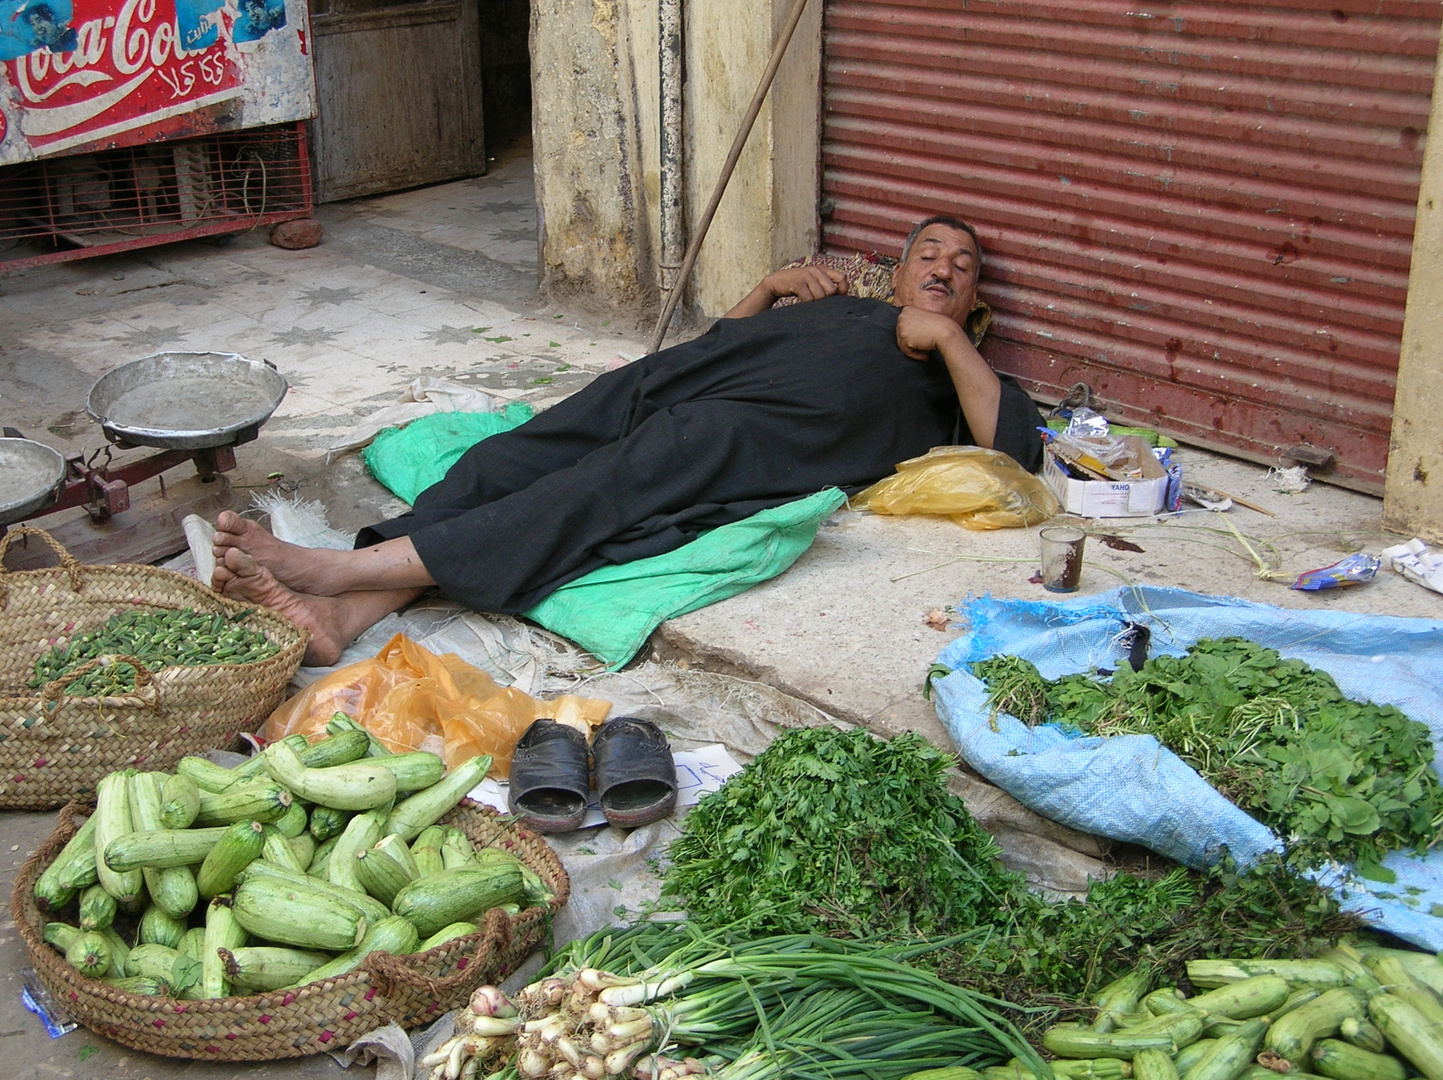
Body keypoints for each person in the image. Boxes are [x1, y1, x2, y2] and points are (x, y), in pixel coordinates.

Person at [213, 215, 1045, 664]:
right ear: (894, 271)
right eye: (927, 253)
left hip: (743, 439)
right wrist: (769, 286)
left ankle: (339, 569)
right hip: (673, 386)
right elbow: (723, 343)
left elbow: (1010, 456)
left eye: (961, 264)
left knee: (594, 491)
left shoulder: (959, 369)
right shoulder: (843, 306)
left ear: (972, 299)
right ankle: (346, 616)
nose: (941, 266)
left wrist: (944, 340)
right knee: (509, 458)